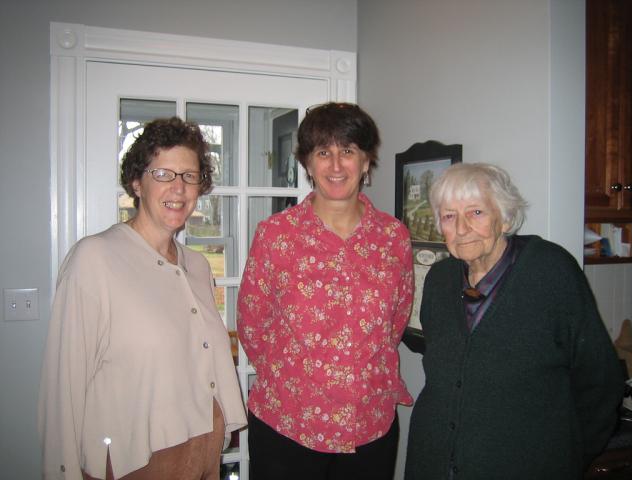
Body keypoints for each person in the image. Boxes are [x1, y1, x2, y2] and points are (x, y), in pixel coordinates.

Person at [39, 117, 247, 480]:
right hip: (138, 460)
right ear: (137, 182)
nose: (179, 189)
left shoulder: (196, 265)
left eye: (189, 176)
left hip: (203, 452)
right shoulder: (95, 259)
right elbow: (63, 390)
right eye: (164, 174)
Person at [404, 163, 624, 480]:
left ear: (505, 217)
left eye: (476, 212)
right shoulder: (439, 280)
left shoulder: (550, 270)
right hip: (433, 462)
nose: (462, 228)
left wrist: (568, 455)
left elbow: (600, 380)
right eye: (450, 216)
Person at [237, 102, 414, 480]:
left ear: (366, 162)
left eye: (348, 151)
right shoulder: (275, 236)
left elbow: (394, 324)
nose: (336, 165)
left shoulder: (394, 238)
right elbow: (252, 325)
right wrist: (299, 381)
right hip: (288, 426)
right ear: (307, 163)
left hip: (370, 426)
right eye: (323, 152)